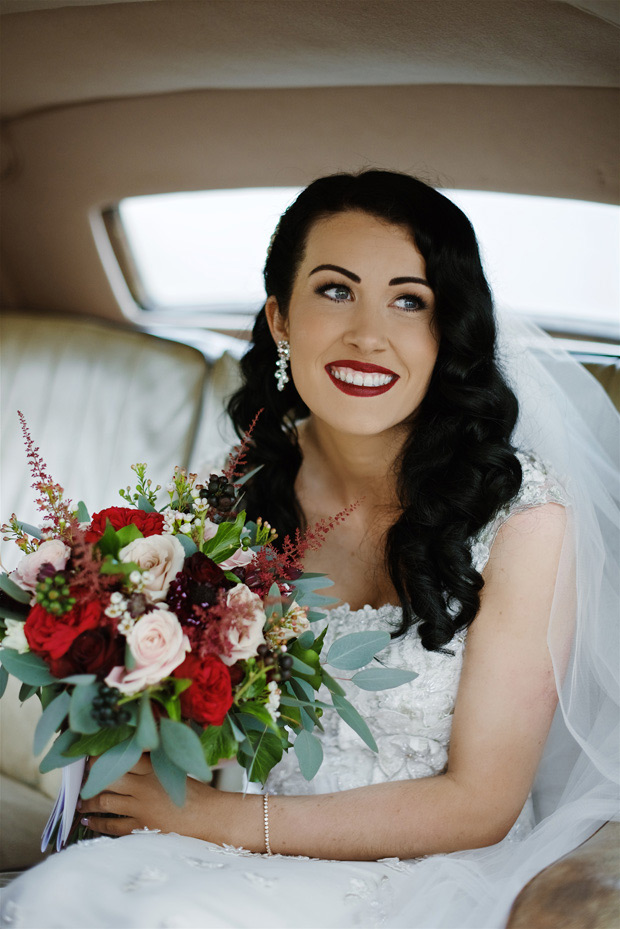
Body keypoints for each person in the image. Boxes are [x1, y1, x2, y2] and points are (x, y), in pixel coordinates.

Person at [1, 170, 618, 929]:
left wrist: (223, 818)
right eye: (335, 290)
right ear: (280, 317)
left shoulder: (524, 518)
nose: (368, 333)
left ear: (447, 333)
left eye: (409, 300)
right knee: (52, 898)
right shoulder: (231, 494)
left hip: (427, 875)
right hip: (225, 850)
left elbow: (480, 802)